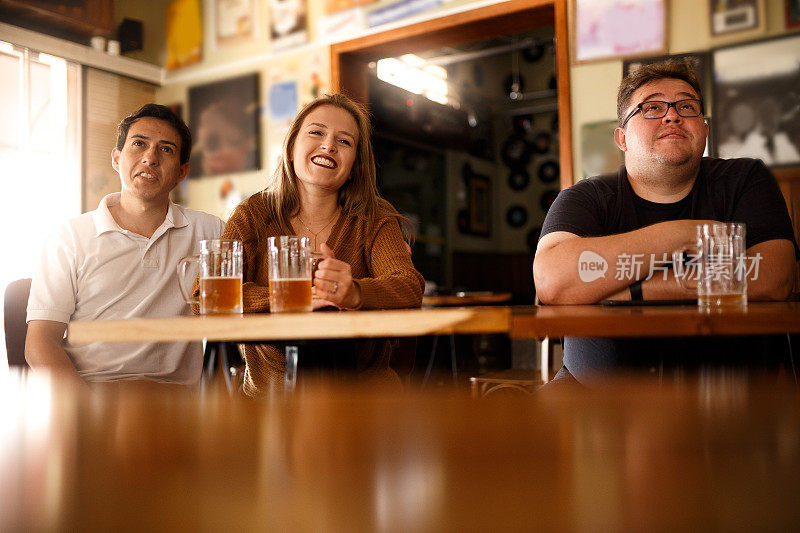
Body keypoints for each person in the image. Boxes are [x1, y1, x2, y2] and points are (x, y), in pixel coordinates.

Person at [533, 59, 799, 383]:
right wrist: (681, 234)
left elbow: (773, 277)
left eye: (687, 106)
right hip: (595, 394)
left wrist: (632, 291)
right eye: (652, 107)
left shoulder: (745, 179)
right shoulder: (584, 197)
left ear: (704, 128)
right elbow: (552, 280)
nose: (672, 114)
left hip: (731, 392)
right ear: (622, 138)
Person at [218, 93, 424, 396]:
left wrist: (354, 293)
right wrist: (285, 298)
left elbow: (408, 287)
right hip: (269, 400)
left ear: (354, 165)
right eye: (316, 132)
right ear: (291, 148)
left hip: (364, 397)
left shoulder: (376, 216)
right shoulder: (254, 213)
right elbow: (205, 297)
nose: (328, 145)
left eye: (344, 141)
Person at [26, 104, 225, 385]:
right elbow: (40, 344)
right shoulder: (68, 237)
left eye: (166, 149)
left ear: (182, 172)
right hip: (93, 398)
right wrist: (83, 411)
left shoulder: (211, 231)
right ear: (116, 159)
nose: (150, 158)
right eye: (139, 144)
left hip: (179, 409)